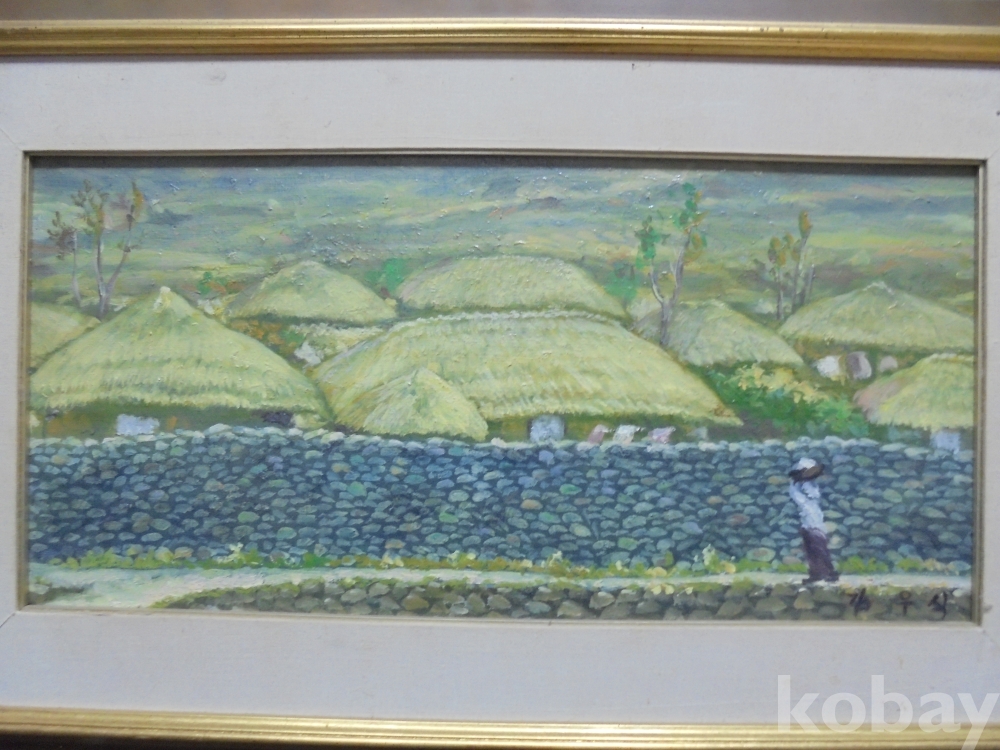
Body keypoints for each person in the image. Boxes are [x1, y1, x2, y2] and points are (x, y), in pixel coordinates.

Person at [788, 457, 840, 584]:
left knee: (820, 549)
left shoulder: (810, 485)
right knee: (811, 550)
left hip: (815, 522)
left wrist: (804, 481)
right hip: (807, 523)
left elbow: (813, 495)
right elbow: (801, 500)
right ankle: (816, 573)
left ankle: (829, 573)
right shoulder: (796, 486)